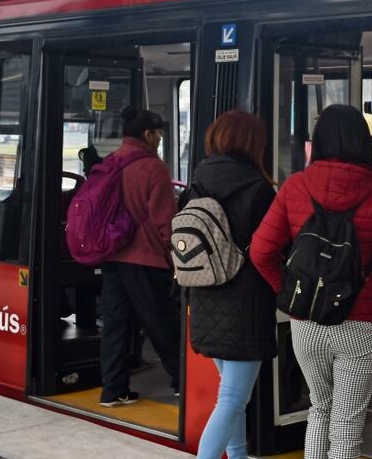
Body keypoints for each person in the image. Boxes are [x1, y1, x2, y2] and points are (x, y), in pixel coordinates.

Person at [251, 104, 372, 459]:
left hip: (306, 321)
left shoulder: (295, 186)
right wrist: (366, 274)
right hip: (359, 322)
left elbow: (261, 251)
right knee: (347, 425)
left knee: (319, 409)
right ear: (361, 142)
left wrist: (287, 289)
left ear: (319, 140)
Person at [187, 111, 277, 459]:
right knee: (232, 399)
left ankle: (238, 456)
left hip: (206, 298)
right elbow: (269, 250)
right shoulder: (258, 190)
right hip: (245, 305)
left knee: (233, 396)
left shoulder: (197, 180)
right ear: (254, 144)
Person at [98, 106, 181, 407]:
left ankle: (113, 390)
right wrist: (173, 253)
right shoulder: (152, 166)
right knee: (162, 322)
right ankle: (182, 381)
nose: (159, 139)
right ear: (148, 134)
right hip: (145, 259)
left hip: (112, 257)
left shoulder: (113, 161)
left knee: (115, 324)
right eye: (158, 133)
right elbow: (165, 219)